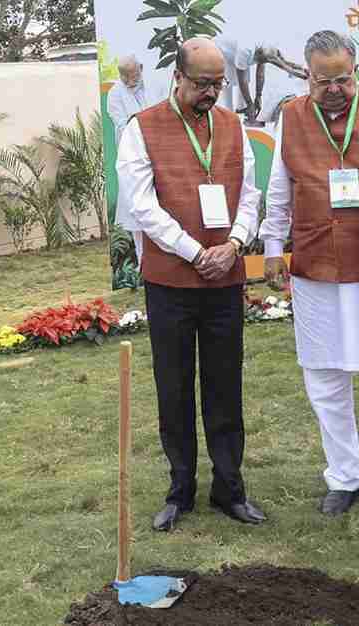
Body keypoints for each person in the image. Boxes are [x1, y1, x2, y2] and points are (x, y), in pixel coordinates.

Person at [259, 30, 359, 518]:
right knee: (325, 376)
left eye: (343, 79)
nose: (333, 88)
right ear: (306, 75)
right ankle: (345, 475)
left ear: (357, 73)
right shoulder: (289, 116)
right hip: (316, 263)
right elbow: (279, 187)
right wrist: (272, 245)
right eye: (322, 79)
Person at [117, 37, 266, 532]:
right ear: (176, 77)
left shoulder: (233, 126)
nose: (211, 93)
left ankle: (230, 489)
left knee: (225, 385)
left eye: (217, 84)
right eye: (202, 84)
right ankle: (180, 490)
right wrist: (195, 252)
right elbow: (142, 206)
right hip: (171, 282)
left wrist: (237, 243)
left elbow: (250, 192)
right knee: (174, 387)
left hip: (225, 278)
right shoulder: (141, 129)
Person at [108, 54, 153, 268]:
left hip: (156, 156)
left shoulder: (152, 85)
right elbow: (121, 124)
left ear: (141, 69)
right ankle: (144, 263)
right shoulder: (115, 92)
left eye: (132, 74)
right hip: (132, 158)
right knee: (135, 214)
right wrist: (140, 123)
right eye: (124, 76)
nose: (128, 80)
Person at [215, 37, 307, 123]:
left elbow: (260, 75)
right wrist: (250, 104)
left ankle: (242, 108)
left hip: (239, 50)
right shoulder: (244, 51)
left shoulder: (266, 49)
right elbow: (241, 80)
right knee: (229, 83)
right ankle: (228, 115)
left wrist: (258, 97)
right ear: (259, 54)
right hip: (222, 52)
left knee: (246, 78)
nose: (263, 63)